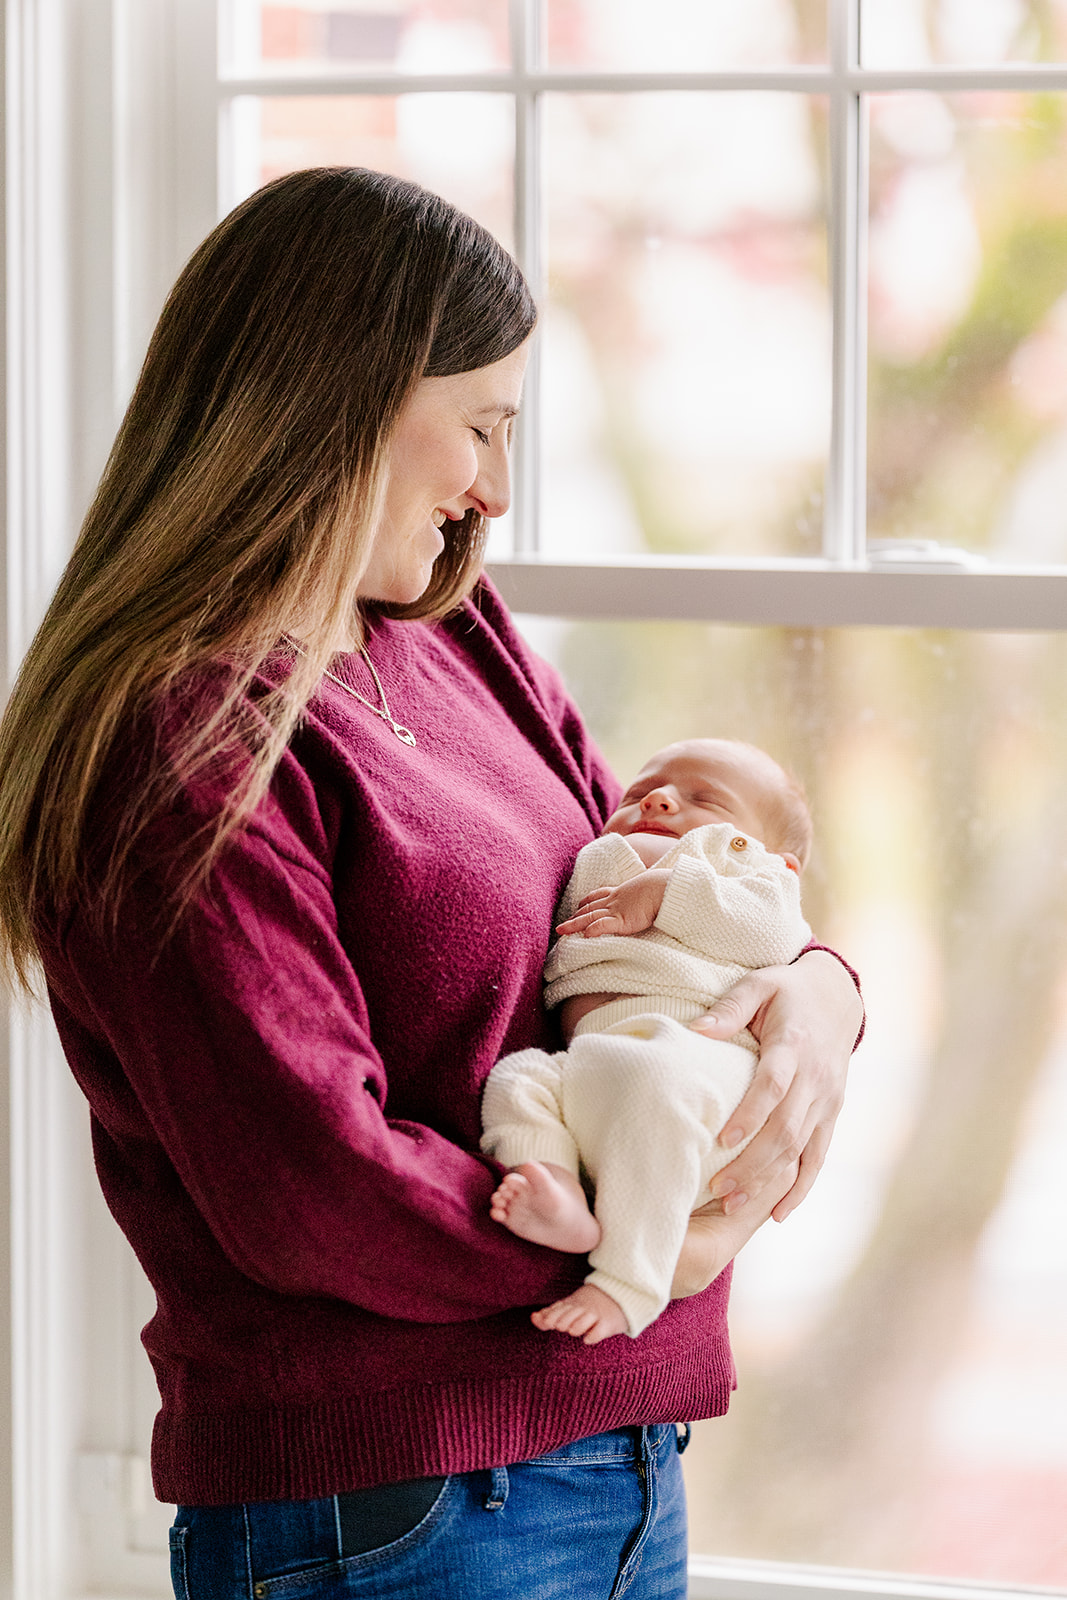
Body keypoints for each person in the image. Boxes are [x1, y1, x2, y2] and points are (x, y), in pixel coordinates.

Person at [0, 168, 863, 1600]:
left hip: (613, 1464)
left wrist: (822, 993)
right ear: (327, 400)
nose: (495, 489)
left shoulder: (455, 638)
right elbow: (310, 1188)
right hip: (400, 1511)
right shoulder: (178, 737)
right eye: (478, 426)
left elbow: (635, 902)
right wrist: (642, 1243)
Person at [483, 737, 813, 1345]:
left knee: (652, 1080)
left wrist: (667, 892)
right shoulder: (602, 852)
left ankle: (627, 1284)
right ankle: (555, 1187)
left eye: (704, 798)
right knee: (519, 1079)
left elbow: (777, 936)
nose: (657, 799)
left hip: (699, 1066)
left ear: (781, 862)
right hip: (597, 1070)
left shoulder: (743, 868)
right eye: (637, 793)